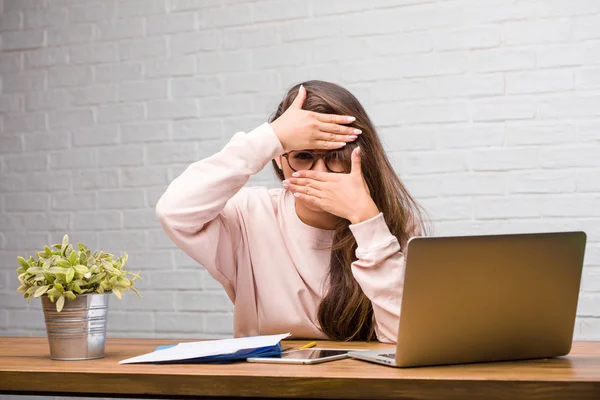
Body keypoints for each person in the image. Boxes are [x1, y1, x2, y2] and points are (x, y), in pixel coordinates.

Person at [156, 80, 427, 343]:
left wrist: (367, 222)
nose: (319, 173)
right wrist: (270, 137)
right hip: (268, 381)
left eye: (335, 156)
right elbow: (174, 212)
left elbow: (403, 336)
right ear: (279, 157)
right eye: (303, 157)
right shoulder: (248, 215)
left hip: (361, 384)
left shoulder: (390, 222)